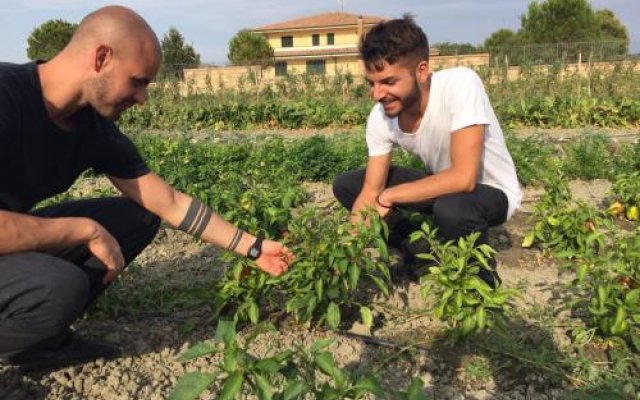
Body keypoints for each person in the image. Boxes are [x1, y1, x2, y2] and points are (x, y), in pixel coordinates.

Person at [0, 5, 293, 370]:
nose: (143, 98)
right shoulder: (6, 96)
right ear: (102, 57)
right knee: (58, 284)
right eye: (138, 81)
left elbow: (166, 201)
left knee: (135, 217)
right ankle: (27, 330)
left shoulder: (91, 126)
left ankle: (38, 335)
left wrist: (253, 247)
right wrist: (83, 229)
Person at [333, 16, 522, 286]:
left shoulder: (460, 84)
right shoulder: (381, 117)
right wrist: (345, 250)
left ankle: (479, 280)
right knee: (347, 186)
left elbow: (463, 179)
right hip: (443, 188)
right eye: (371, 83)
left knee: (453, 208)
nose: (377, 94)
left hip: (490, 192)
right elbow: (370, 191)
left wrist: (389, 197)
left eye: (388, 81)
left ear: (421, 71)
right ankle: (421, 252)